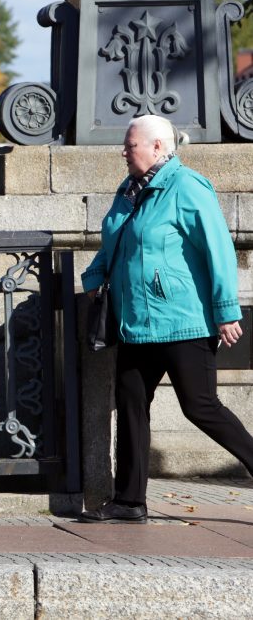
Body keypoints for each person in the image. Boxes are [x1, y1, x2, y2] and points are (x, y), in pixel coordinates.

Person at [80, 114, 252, 524]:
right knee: (131, 402)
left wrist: (226, 310)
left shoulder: (187, 186)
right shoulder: (130, 189)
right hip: (137, 322)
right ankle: (129, 501)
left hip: (182, 321)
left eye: (130, 145)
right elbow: (115, 239)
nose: (124, 151)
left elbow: (219, 250)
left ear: (158, 147)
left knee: (201, 406)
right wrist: (94, 274)